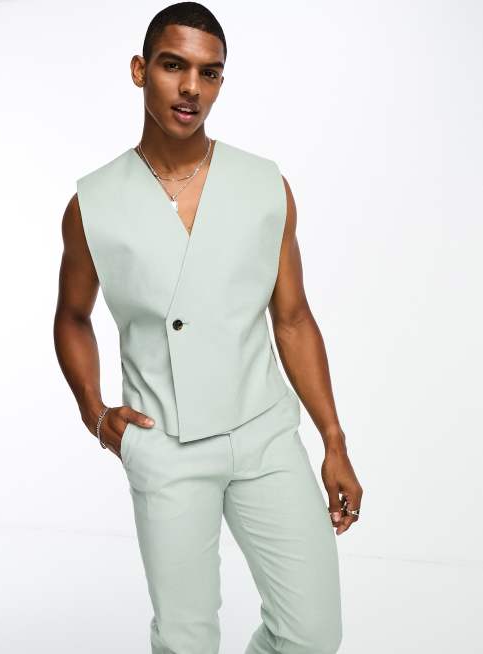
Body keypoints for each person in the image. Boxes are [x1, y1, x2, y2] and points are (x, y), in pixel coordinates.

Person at [53, 2, 363, 653]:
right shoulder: (92, 204)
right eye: (174, 66)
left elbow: (292, 318)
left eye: (209, 72)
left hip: (264, 434)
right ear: (140, 70)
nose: (191, 87)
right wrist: (94, 413)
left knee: (311, 633)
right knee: (186, 642)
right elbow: (72, 316)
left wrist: (333, 439)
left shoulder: (265, 185)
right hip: (163, 444)